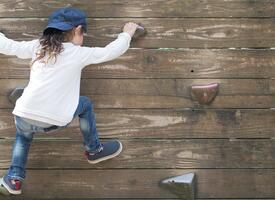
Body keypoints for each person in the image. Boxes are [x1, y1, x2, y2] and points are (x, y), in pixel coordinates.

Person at [0, 7, 139, 195]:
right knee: (85, 104)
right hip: (56, 119)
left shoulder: (38, 47)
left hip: (25, 115)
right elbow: (110, 51)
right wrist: (126, 34)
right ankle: (94, 149)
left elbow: (10, 47)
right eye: (83, 34)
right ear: (77, 30)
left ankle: (14, 179)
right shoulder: (78, 53)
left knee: (23, 138)